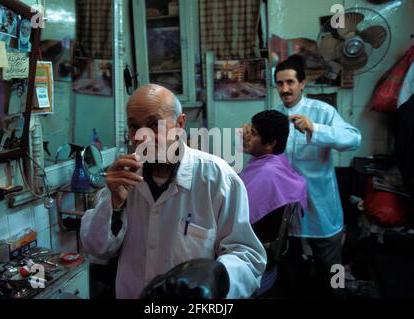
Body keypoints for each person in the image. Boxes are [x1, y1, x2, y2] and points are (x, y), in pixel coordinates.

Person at [80, 84, 266, 299]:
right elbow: (96, 249)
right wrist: (112, 204)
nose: (142, 137)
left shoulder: (218, 179)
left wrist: (216, 277)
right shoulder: (124, 179)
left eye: (153, 125)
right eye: (134, 127)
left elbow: (248, 257)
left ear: (179, 124)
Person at [273, 55, 361, 297]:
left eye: (290, 82)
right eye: (280, 84)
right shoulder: (275, 116)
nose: (285, 89)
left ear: (303, 84)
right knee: (290, 269)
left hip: (320, 207)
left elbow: (354, 139)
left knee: (332, 269)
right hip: (288, 209)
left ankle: (339, 295)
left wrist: (315, 129)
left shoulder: (322, 112)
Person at [239, 110, 307, 295]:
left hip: (253, 255)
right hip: (266, 254)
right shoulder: (274, 161)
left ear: (270, 143)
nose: (247, 136)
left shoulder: (267, 173)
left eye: (253, 133)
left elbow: (237, 212)